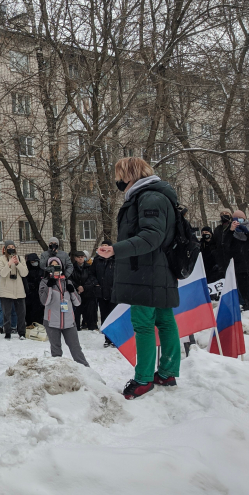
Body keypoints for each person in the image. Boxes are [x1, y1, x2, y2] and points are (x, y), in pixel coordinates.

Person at [96, 157, 180, 399]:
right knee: (165, 321)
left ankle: (143, 379)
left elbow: (151, 237)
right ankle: (167, 372)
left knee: (143, 325)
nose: (117, 181)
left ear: (129, 174)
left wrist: (116, 249)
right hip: (157, 270)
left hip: (146, 272)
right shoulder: (154, 195)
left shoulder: (149, 197)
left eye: (119, 175)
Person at [39, 257, 89, 366]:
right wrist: (49, 287)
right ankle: (58, 373)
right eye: (52, 266)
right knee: (56, 351)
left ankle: (87, 371)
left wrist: (72, 292)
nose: (55, 268)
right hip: (52, 321)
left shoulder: (68, 282)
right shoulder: (44, 282)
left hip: (69, 322)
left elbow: (77, 303)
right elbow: (45, 302)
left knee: (76, 349)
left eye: (57, 265)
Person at [0, 242, 29, 340]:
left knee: (21, 313)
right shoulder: (1, 259)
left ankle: (22, 333)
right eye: (9, 247)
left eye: (13, 247)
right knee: (7, 313)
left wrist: (17, 263)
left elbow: (24, 273)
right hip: (6, 290)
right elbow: (2, 273)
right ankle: (7, 332)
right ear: (5, 249)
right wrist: (9, 264)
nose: (11, 249)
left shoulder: (20, 258)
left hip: (19, 290)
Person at [92, 240, 116, 347]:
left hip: (114, 293)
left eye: (107, 246)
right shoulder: (97, 260)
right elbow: (91, 274)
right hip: (101, 293)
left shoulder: (116, 259)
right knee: (105, 316)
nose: (105, 247)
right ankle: (107, 338)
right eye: (103, 246)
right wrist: (96, 284)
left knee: (114, 316)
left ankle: (115, 339)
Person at [70, 250, 97, 331]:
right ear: (75, 258)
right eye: (79, 257)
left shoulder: (89, 267)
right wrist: (77, 287)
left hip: (88, 293)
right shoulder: (71, 268)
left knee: (89, 311)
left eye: (82, 257)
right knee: (77, 311)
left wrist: (84, 287)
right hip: (76, 293)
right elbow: (70, 279)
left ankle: (90, 326)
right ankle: (76, 327)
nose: (81, 259)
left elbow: (92, 279)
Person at [23, 253, 43, 326]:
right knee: (29, 310)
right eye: (32, 262)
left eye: (35, 261)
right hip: (30, 294)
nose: (34, 263)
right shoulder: (27, 270)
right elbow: (25, 280)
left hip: (39, 293)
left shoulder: (41, 270)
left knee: (39, 310)